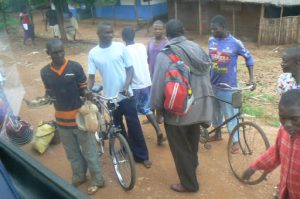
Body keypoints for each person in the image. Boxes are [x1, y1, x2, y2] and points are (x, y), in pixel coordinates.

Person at [150, 19, 213, 192]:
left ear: (167, 35)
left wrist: (157, 109)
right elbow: (208, 74)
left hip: (177, 110)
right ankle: (192, 167)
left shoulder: (166, 54)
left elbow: (157, 85)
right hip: (199, 106)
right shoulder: (198, 48)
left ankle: (189, 184)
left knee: (180, 148)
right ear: (183, 31)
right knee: (191, 141)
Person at [40, 38, 104, 195]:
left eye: (62, 51)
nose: (60, 54)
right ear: (48, 54)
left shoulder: (75, 67)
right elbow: (48, 92)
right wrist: (46, 98)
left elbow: (83, 88)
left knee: (89, 151)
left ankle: (97, 179)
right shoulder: (45, 72)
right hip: (61, 121)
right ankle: (79, 176)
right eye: (55, 52)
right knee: (72, 153)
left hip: (80, 119)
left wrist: (88, 94)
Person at [87, 22, 152, 168]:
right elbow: (91, 77)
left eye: (111, 32)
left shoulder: (120, 48)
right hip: (110, 97)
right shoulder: (93, 53)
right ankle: (126, 149)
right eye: (106, 32)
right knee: (118, 127)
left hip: (126, 95)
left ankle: (142, 155)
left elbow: (130, 69)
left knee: (134, 125)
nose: (110, 35)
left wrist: (126, 86)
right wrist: (87, 91)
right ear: (98, 34)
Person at [208, 15, 256, 153]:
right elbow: (209, 59)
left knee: (231, 114)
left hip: (228, 87)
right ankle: (217, 133)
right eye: (211, 29)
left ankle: (236, 140)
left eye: (215, 29)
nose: (212, 31)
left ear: (223, 28)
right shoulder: (211, 40)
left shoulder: (235, 43)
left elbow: (249, 58)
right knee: (215, 112)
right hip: (213, 85)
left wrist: (252, 79)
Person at [242, 89, 300, 199]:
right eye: (283, 118)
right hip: (286, 191)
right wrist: (254, 167)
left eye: (295, 119)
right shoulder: (283, 132)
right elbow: (275, 153)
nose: (287, 124)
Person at [121, 26, 167, 146]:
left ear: (123, 38)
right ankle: (158, 131)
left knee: (133, 113)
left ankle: (136, 139)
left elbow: (127, 69)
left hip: (135, 86)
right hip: (146, 83)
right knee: (147, 109)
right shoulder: (141, 46)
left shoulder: (124, 51)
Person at [147, 20, 168, 124]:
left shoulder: (167, 43)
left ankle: (159, 115)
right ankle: (151, 115)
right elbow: (148, 57)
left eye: (160, 29)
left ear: (164, 30)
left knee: (160, 95)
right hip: (151, 73)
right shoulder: (150, 41)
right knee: (151, 94)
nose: (157, 31)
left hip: (162, 74)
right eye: (155, 28)